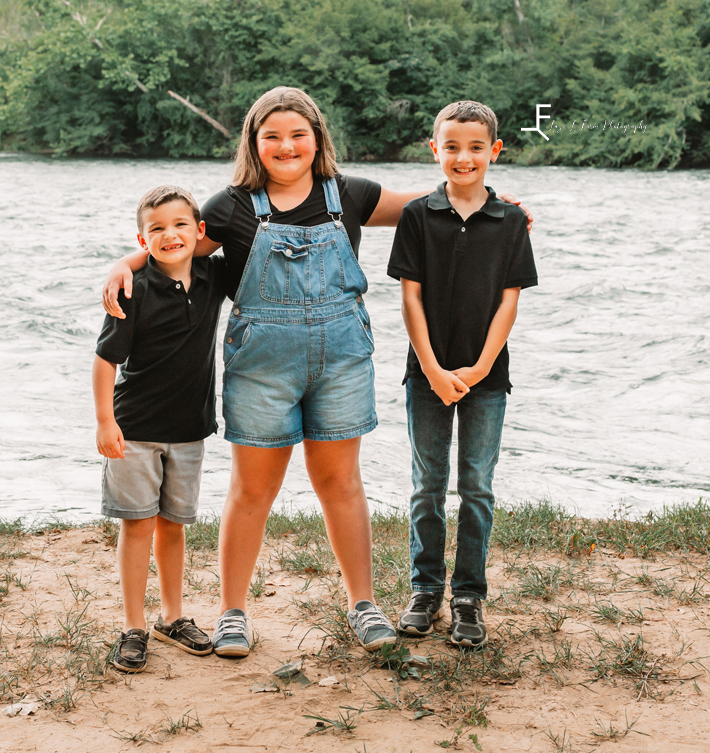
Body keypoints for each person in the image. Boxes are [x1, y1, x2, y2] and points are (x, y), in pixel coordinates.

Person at [102, 87, 534, 658]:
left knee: (340, 483)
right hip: (262, 366)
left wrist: (502, 209)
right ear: (254, 144)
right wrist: (125, 261)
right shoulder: (231, 205)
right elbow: (172, 242)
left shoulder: (349, 193)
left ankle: (363, 604)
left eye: (298, 134)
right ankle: (234, 612)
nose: (286, 146)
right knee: (252, 489)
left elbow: (425, 201)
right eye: (272, 136)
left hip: (340, 361)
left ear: (318, 139)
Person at [387, 101, 538, 647]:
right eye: (451, 146)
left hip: (487, 379)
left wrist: (477, 368)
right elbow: (410, 299)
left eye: (476, 147)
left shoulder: (511, 220)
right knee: (426, 486)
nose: (463, 156)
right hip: (425, 372)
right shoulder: (416, 216)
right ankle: (424, 589)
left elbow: (509, 303)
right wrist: (431, 366)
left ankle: (469, 596)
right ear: (435, 149)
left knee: (477, 487)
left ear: (494, 151)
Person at [92, 185, 229, 672]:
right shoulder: (135, 289)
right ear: (141, 237)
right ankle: (133, 626)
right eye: (157, 229)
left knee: (174, 526)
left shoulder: (213, 277)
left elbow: (242, 235)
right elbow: (106, 360)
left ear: (199, 232)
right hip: (136, 430)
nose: (170, 235)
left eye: (180, 225)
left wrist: (125, 258)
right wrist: (105, 422)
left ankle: (172, 617)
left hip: (190, 429)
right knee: (138, 526)